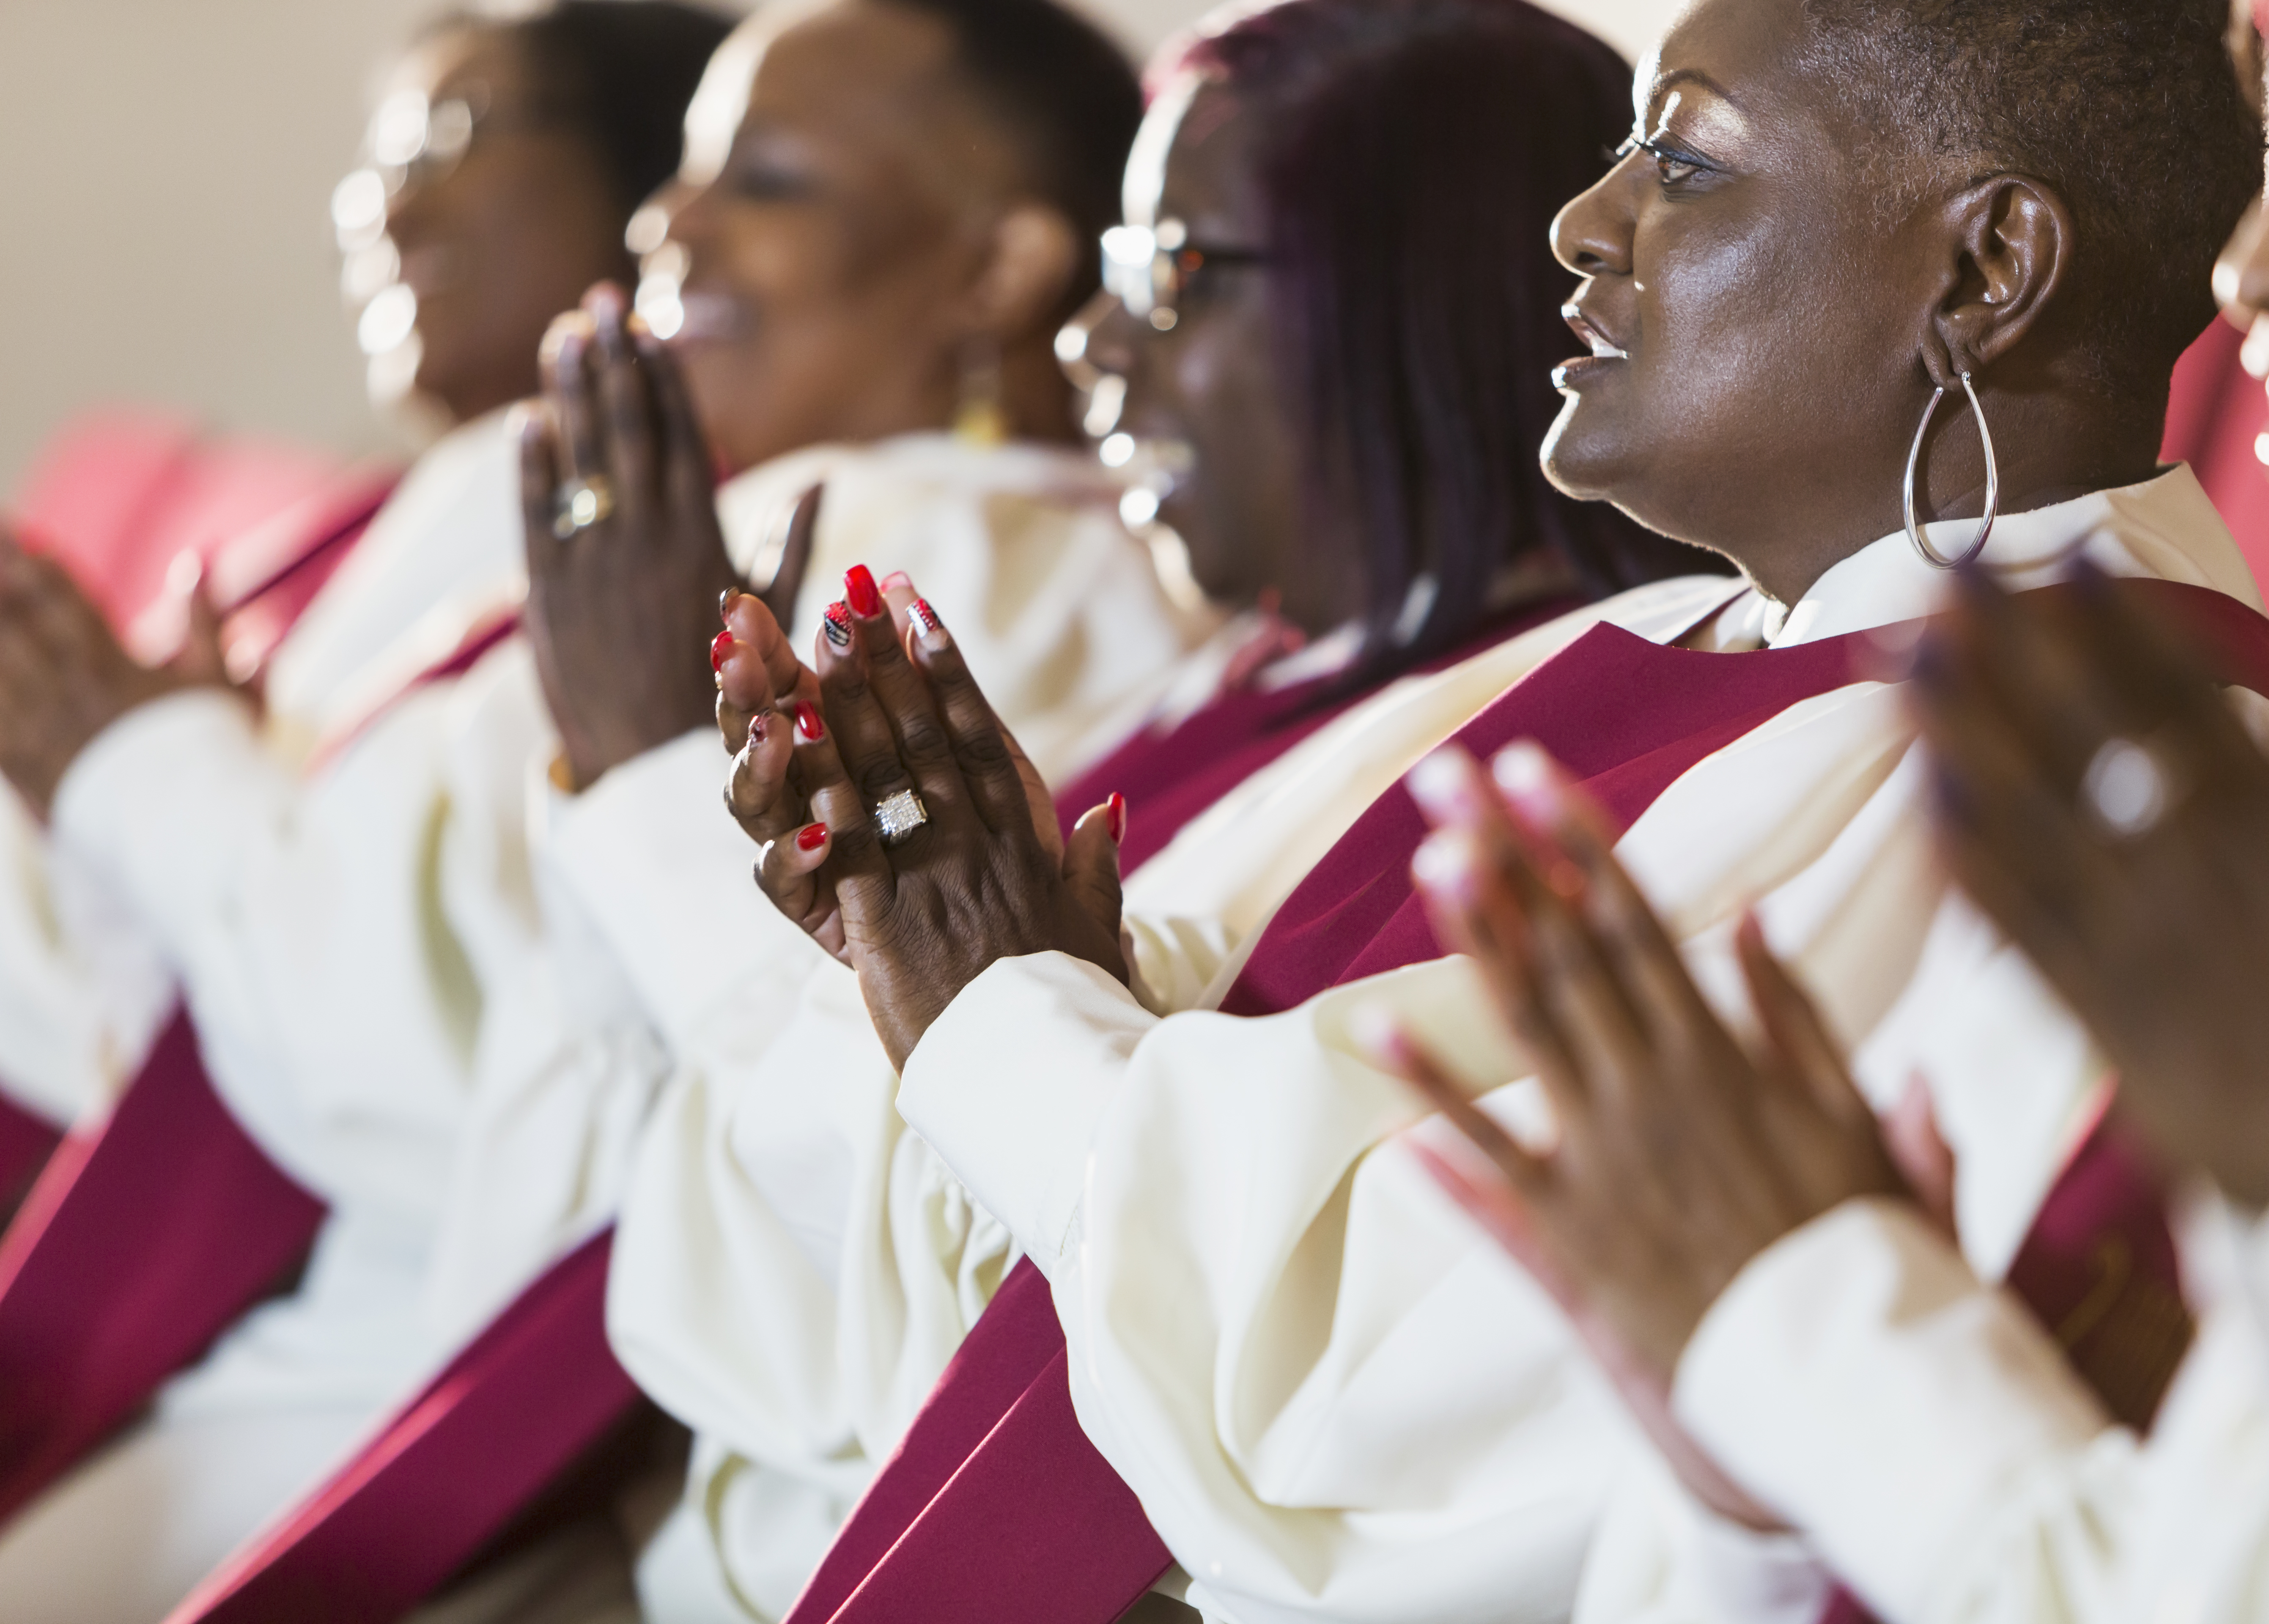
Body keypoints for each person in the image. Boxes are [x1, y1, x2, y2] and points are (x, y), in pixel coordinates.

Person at [703, 0, 2269, 1617]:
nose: (1584, 221)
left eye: (1684, 161)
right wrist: (955, 953)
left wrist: (1004, 1015)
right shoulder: (1695, 648)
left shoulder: (2079, 797)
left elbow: (1433, 1386)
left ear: (1984, 274)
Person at [598, 1, 1698, 1616]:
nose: (1094, 347)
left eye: (1166, 276)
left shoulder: (1543, 749)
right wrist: (909, 966)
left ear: (1405, 287)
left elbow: (1198, 1322)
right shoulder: (1245, 677)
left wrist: (967, 1003)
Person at [1372, 5, 2269, 1619]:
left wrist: (1811, 1332)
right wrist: (1752, 1450)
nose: (2255, 266)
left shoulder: (2145, 795)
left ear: (1989, 267)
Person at [0, 7, 729, 1620]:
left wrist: (127, 773)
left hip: (368, 1312)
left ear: (648, 183)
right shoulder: (389, 523)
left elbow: (398, 1050)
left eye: (462, 144)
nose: (389, 207)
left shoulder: (665, 551)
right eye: (385, 156)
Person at [497, 2, 1215, 1617]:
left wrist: (636, 774)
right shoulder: (796, 523)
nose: (666, 225)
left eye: (765, 176)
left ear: (1001, 268)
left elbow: (857, 1146)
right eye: (685, 167)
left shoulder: (948, 564)